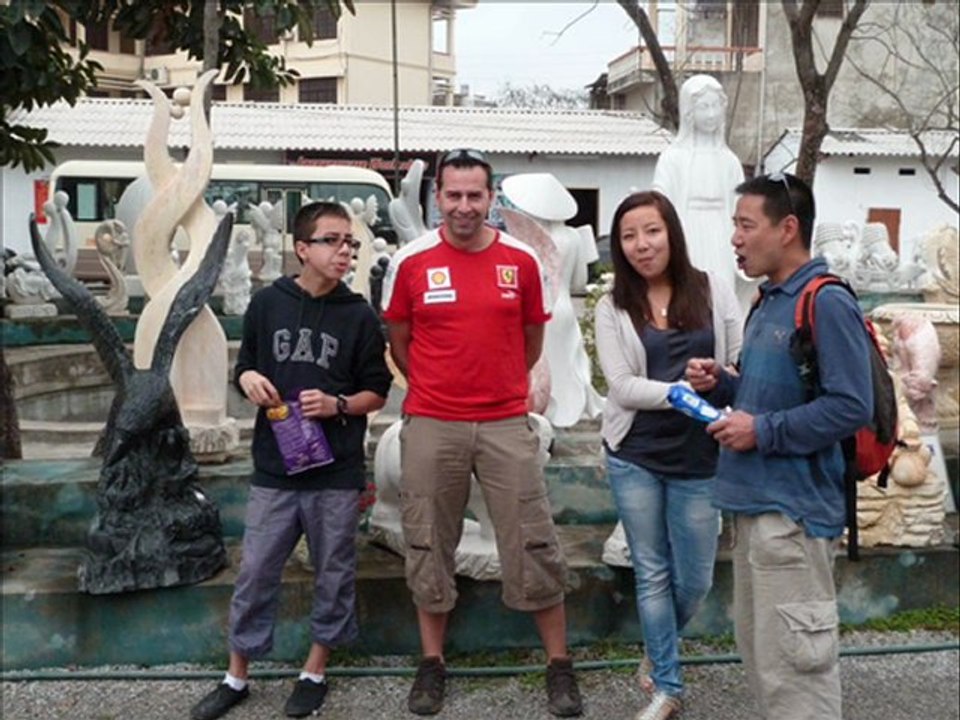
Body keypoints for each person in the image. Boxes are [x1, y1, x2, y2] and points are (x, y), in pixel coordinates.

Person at [380, 149, 583, 718]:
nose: (464, 206)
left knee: (533, 537)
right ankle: (432, 663)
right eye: (454, 195)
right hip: (432, 421)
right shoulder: (413, 261)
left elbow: (532, 342)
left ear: (491, 198)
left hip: (505, 422)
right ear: (438, 197)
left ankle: (558, 664)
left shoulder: (521, 260)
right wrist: (438, 388)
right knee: (427, 540)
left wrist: (498, 387)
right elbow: (400, 339)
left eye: (475, 195)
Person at [190, 201, 392, 720]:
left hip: (336, 470)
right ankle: (236, 675)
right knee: (256, 571)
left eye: (350, 242)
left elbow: (377, 391)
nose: (345, 251)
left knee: (334, 572)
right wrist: (248, 379)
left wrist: (338, 405)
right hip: (274, 467)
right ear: (302, 248)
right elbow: (246, 365)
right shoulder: (267, 304)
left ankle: (314, 671)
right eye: (332, 240)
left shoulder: (360, 316)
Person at [686, 173, 873, 720]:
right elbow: (771, 394)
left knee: (797, 675)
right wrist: (722, 386)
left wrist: (760, 431)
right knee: (769, 666)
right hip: (756, 510)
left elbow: (851, 406)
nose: (735, 238)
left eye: (746, 225)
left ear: (787, 228)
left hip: (792, 517)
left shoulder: (826, 301)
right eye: (735, 225)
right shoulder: (769, 300)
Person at [594, 191, 742, 720]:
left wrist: (716, 377)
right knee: (652, 571)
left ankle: (657, 652)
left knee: (696, 579)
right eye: (629, 236)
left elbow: (738, 365)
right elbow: (621, 386)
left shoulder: (713, 289)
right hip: (635, 454)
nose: (642, 245)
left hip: (700, 458)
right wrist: (679, 392)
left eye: (651, 231)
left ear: (671, 233)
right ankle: (668, 686)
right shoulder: (612, 306)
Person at [652, 74, 753, 307]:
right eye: (703, 107)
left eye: (715, 106)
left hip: (722, 234)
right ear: (689, 111)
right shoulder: (673, 158)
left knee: (721, 294)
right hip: (687, 231)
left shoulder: (729, 160)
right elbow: (661, 203)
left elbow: (742, 206)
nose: (711, 114)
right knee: (688, 292)